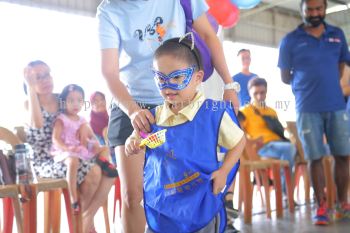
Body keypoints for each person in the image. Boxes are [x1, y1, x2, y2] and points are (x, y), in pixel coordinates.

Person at [96, 1, 240, 232]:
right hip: (132, 105)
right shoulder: (109, 10)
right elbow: (109, 72)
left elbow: (208, 35)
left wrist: (229, 84)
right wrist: (134, 111)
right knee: (133, 195)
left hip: (182, 105)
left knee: (186, 185)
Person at [125, 37, 245, 233]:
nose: (168, 86)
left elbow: (239, 142)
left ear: (198, 78)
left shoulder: (213, 113)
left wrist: (224, 172)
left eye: (177, 77)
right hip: (162, 207)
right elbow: (150, 138)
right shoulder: (154, 116)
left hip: (200, 205)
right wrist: (134, 141)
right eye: (161, 79)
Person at [278, 0, 350, 225]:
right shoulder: (290, 40)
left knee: (343, 155)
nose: (315, 13)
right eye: (310, 9)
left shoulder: (337, 34)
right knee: (315, 157)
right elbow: (285, 76)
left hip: (336, 106)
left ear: (325, 9)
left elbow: (341, 67)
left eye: (319, 8)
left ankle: (342, 203)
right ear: (302, 10)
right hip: (307, 108)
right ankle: (321, 207)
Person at [23, 60, 114, 233]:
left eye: (47, 74)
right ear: (29, 81)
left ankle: (85, 222)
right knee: (94, 171)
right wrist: (30, 88)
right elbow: (37, 123)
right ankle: (86, 227)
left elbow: (77, 115)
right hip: (46, 161)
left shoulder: (62, 99)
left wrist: (85, 126)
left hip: (73, 154)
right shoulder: (29, 102)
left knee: (109, 172)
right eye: (38, 77)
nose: (45, 80)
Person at [51, 84, 118, 214]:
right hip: (65, 152)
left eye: (79, 100)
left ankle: (103, 163)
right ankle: (73, 198)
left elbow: (90, 139)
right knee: (73, 161)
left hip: (80, 149)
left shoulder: (82, 120)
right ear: (63, 103)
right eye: (71, 101)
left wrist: (92, 144)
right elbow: (56, 139)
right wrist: (67, 148)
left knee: (103, 148)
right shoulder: (61, 119)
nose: (76, 104)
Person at [239, 77, 296, 195]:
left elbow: (280, 131)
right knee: (289, 149)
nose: (259, 96)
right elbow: (240, 134)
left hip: (278, 145)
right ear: (250, 93)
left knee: (300, 150)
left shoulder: (271, 111)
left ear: (266, 92)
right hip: (261, 148)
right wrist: (252, 141)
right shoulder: (245, 111)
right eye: (256, 93)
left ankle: (285, 190)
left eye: (262, 93)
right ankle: (285, 192)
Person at [89, 91, 117, 164]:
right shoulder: (89, 127)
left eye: (102, 99)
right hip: (103, 162)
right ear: (91, 104)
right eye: (96, 101)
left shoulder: (112, 119)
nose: (100, 102)